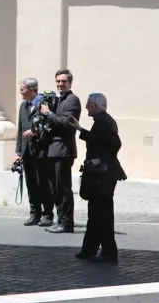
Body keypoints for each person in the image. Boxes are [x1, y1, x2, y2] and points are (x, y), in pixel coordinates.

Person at [69, 93, 126, 262]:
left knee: (99, 213)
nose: (86, 107)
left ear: (95, 106)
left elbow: (114, 144)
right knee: (100, 214)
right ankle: (94, 249)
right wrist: (80, 129)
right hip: (104, 174)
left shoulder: (102, 122)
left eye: (88, 104)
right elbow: (99, 140)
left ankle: (99, 250)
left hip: (102, 175)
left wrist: (101, 159)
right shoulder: (105, 120)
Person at [40, 69, 81, 234]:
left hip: (63, 149)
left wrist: (48, 113)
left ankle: (67, 222)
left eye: (63, 81)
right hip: (53, 149)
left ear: (70, 82)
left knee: (63, 188)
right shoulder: (58, 100)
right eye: (58, 81)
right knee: (55, 188)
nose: (60, 84)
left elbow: (65, 123)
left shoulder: (72, 100)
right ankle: (60, 220)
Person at [15, 78, 54, 227]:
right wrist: (18, 151)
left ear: (32, 90)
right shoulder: (23, 106)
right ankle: (34, 213)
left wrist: (36, 133)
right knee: (31, 184)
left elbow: (50, 127)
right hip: (27, 152)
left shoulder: (44, 103)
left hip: (41, 151)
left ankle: (48, 214)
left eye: (22, 89)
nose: (21, 93)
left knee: (43, 183)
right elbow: (20, 130)